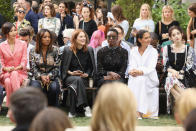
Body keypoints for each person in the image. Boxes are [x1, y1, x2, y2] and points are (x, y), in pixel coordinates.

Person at [60, 29, 96, 117]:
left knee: (75, 85)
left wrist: (87, 74)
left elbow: (91, 67)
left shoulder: (89, 49)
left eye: (84, 36)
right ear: (75, 39)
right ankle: (86, 106)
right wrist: (72, 73)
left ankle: (72, 111)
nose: (83, 38)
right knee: (76, 80)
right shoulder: (67, 50)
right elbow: (63, 68)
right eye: (81, 37)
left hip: (83, 78)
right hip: (69, 77)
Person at [128, 30, 159, 119]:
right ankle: (134, 110)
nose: (149, 39)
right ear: (139, 39)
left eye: (149, 37)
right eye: (146, 38)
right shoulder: (133, 50)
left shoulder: (153, 51)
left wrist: (140, 72)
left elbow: (151, 68)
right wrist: (131, 71)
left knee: (141, 80)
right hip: (135, 76)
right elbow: (131, 65)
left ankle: (140, 112)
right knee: (137, 80)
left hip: (149, 77)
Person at [163, 26, 194, 114]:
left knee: (169, 81)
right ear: (170, 38)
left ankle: (184, 105)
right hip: (172, 76)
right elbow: (166, 65)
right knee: (170, 79)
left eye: (178, 34)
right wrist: (173, 71)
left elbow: (190, 66)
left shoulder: (189, 49)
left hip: (185, 78)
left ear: (181, 34)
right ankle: (187, 103)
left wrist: (180, 73)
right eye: (173, 35)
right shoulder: (166, 48)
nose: (176, 36)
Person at [29, 29, 60, 106]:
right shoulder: (33, 50)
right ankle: (38, 110)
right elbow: (33, 67)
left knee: (54, 88)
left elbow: (57, 66)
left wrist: (49, 76)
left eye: (49, 37)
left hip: (52, 76)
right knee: (36, 87)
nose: (47, 39)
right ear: (39, 39)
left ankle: (52, 109)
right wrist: (41, 76)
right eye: (44, 37)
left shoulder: (55, 50)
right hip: (37, 77)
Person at [0, 22, 27, 107]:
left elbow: (24, 59)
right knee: (8, 79)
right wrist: (6, 69)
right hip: (6, 73)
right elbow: (1, 62)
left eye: (15, 30)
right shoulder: (1, 46)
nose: (14, 33)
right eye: (11, 31)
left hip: (20, 72)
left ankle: (11, 106)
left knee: (9, 81)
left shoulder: (23, 44)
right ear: (6, 33)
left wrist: (19, 67)